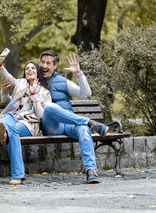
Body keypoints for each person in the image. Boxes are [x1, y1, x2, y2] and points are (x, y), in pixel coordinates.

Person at [37, 50, 107, 183]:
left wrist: (78, 74)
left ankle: (91, 170)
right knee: (50, 107)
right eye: (42, 62)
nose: (44, 66)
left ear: (55, 65)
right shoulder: (34, 81)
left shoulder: (63, 82)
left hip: (69, 123)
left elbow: (85, 93)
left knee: (82, 129)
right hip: (51, 126)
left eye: (48, 63)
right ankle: (89, 122)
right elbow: (16, 96)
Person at [0, 53, 50, 185]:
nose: (29, 70)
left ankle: (4, 134)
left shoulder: (45, 92)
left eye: (33, 68)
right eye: (27, 68)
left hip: (29, 123)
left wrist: (34, 94)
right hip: (14, 118)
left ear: (37, 73)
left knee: (13, 130)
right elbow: (6, 77)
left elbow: (41, 115)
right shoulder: (19, 84)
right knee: (7, 117)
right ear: (25, 73)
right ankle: (4, 131)